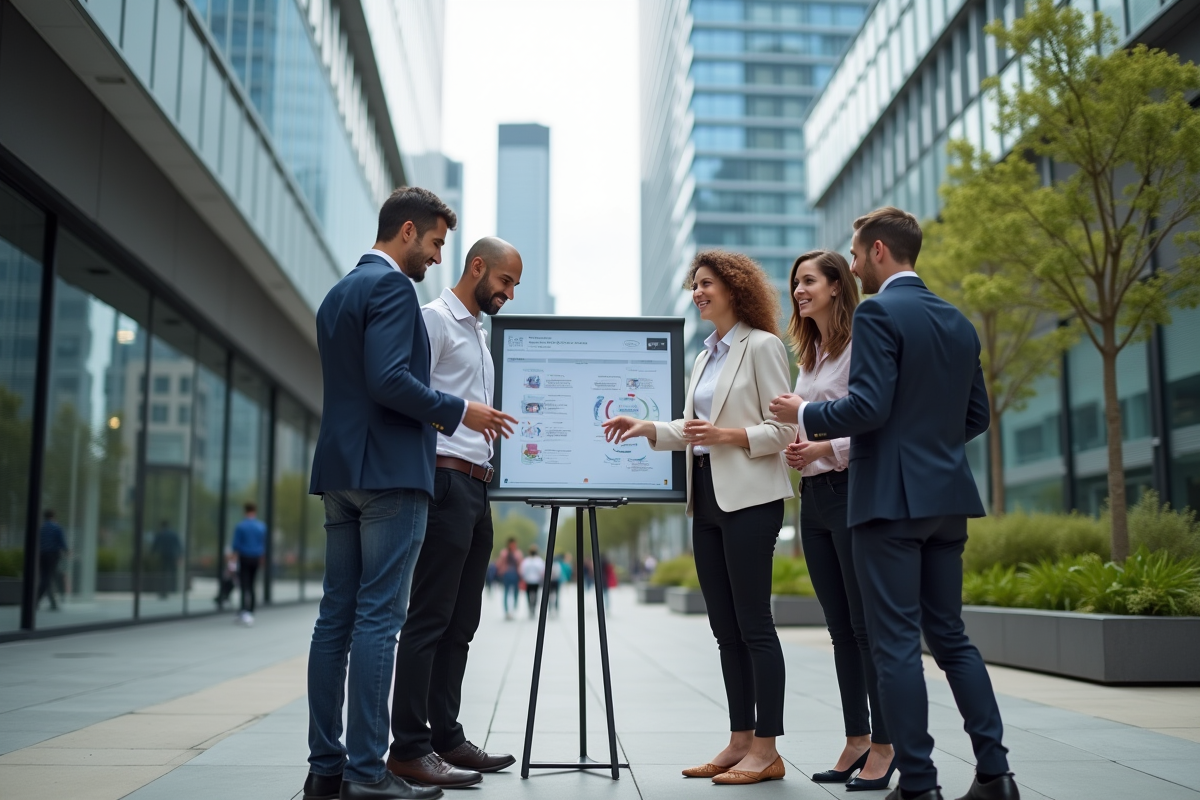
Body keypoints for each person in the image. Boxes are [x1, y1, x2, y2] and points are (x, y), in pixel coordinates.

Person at [783, 208, 1016, 800]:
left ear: (880, 251)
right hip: (947, 498)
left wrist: (804, 413)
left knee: (892, 646)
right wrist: (926, 450)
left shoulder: (881, 312)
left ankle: (918, 784)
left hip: (888, 501)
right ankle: (996, 775)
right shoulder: (958, 321)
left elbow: (868, 408)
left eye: (857, 256)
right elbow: (976, 418)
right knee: (952, 637)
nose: (854, 265)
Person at [303, 187, 514, 800]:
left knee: (334, 621)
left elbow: (355, 384)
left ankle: (326, 768)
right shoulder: (395, 288)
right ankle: (369, 773)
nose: (436, 256)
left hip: (340, 473)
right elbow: (390, 380)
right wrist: (460, 411)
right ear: (405, 232)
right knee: (379, 620)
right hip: (391, 474)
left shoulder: (338, 292)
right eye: (435, 243)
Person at [603, 250, 796, 786]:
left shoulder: (762, 346)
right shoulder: (705, 355)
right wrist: (645, 428)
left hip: (752, 498)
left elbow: (783, 433)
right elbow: (693, 427)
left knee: (755, 624)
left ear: (734, 288)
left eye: (706, 283)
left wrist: (727, 436)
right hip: (706, 497)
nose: (698, 292)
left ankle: (768, 748)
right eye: (694, 285)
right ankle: (739, 740)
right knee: (724, 628)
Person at [388, 237, 523, 789]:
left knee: (461, 624)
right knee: (429, 619)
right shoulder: (433, 321)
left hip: (477, 489)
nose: (509, 294)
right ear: (477, 267)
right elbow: (410, 394)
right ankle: (410, 747)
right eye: (506, 282)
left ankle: (446, 737)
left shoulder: (480, 335)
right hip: (444, 481)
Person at [774, 250, 894, 791]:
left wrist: (819, 446)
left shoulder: (858, 348)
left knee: (867, 627)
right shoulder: (812, 354)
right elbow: (808, 425)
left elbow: (872, 422)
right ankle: (856, 737)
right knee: (840, 628)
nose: (799, 290)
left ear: (836, 286)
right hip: (815, 498)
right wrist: (798, 448)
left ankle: (887, 745)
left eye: (808, 281)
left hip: (852, 491)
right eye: (795, 282)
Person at [231, 502, 266, 626]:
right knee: (252, 584)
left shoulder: (241, 526)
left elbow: (236, 546)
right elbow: (264, 544)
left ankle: (244, 610)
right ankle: (251, 610)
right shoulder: (261, 526)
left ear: (245, 511)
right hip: (256, 558)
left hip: (244, 557)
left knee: (244, 585)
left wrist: (232, 562)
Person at [36, 509, 67, 611]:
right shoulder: (56, 527)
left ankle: (52, 603)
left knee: (46, 577)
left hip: (41, 555)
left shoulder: (42, 527)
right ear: (53, 516)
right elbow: (61, 541)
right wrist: (66, 551)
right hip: (52, 555)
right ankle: (36, 600)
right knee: (47, 578)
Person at [150, 520, 183, 599]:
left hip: (163, 556)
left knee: (163, 574)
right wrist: (180, 556)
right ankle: (172, 589)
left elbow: (155, 546)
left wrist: (152, 554)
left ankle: (163, 591)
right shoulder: (173, 534)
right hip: (172, 556)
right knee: (171, 573)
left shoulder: (161, 534)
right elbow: (179, 546)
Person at [496, 538, 523, 620]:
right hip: (506, 574)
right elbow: (499, 563)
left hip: (515, 574)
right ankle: (507, 611)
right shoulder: (504, 553)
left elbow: (521, 564)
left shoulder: (518, 553)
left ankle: (514, 609)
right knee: (506, 592)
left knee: (516, 592)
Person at [520, 546, 545, 619]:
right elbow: (542, 571)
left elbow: (523, 570)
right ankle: (533, 608)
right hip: (536, 581)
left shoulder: (526, 561)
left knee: (528, 595)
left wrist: (524, 577)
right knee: (536, 595)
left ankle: (530, 608)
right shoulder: (539, 561)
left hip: (528, 581)